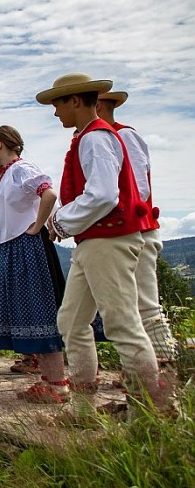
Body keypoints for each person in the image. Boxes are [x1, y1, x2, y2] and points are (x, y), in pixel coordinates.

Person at [36, 73, 169, 412]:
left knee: (123, 323)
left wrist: (60, 221)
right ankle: (83, 410)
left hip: (109, 239)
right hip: (93, 240)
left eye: (57, 104)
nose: (55, 112)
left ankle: (154, 410)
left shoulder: (96, 138)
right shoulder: (89, 137)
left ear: (75, 101)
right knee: (71, 322)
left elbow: (103, 195)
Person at [0, 126, 69, 403]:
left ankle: (57, 384)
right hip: (12, 247)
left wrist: (36, 226)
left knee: (38, 308)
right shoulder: (9, 175)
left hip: (26, 246)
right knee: (27, 311)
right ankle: (48, 380)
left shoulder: (21, 169)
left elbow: (49, 194)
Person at [96, 90, 177, 363]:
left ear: (98, 105)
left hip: (136, 230)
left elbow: (138, 188)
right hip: (123, 232)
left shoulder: (124, 136)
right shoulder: (106, 138)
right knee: (129, 304)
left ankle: (164, 367)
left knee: (145, 303)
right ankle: (143, 368)